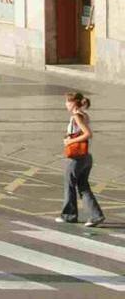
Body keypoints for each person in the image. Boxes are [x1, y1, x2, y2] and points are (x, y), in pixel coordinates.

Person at [58, 91, 105, 226]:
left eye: (67, 101)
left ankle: (69, 215)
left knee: (70, 185)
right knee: (83, 187)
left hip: (76, 158)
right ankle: (96, 215)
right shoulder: (84, 115)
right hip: (86, 157)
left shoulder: (76, 117)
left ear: (73, 103)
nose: (65, 104)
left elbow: (88, 134)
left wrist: (69, 142)